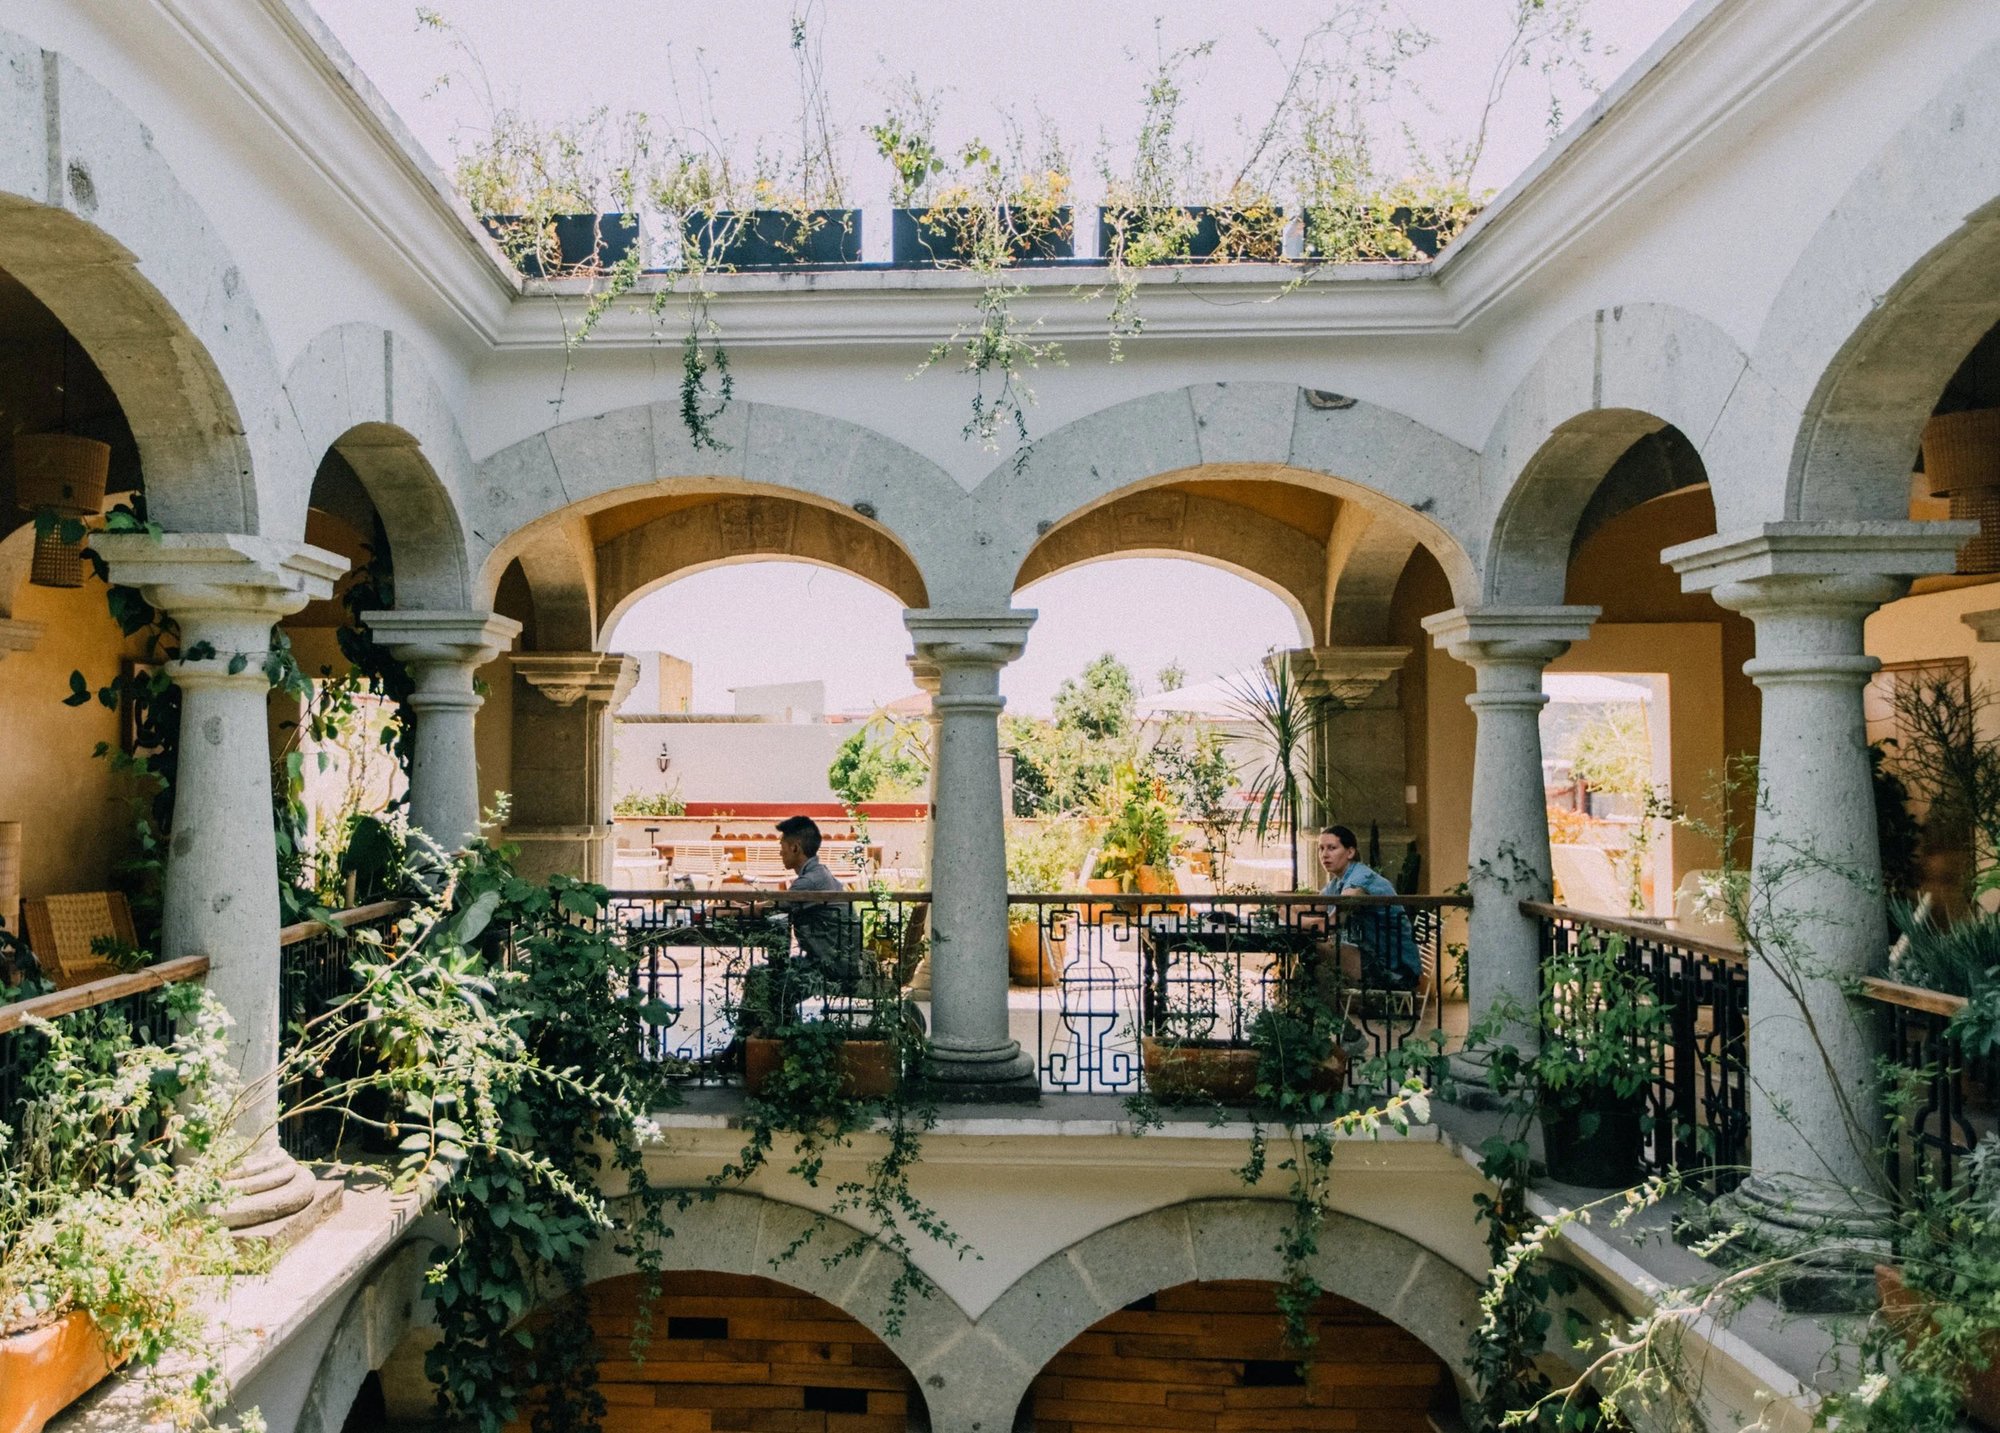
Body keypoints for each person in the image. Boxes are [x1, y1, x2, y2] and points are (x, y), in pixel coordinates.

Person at [1315, 824, 1422, 991]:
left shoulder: (1360, 879)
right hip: (1375, 957)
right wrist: (1290, 910)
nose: (1324, 854)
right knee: (1313, 954)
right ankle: (1323, 1014)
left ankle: (1321, 1015)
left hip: (1396, 970)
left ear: (1350, 852)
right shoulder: (1338, 882)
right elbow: (1314, 907)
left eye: (1332, 848)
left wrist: (1298, 922)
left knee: (1313, 948)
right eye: (1321, 849)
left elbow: (1332, 922)